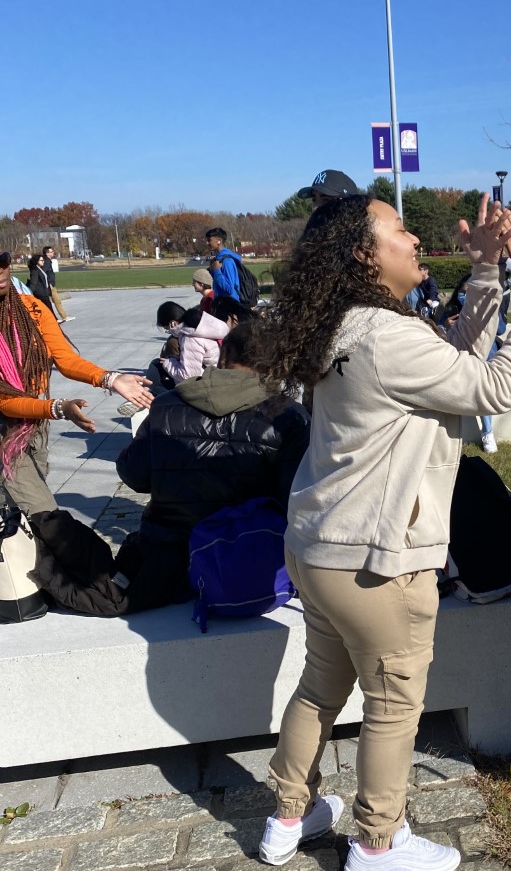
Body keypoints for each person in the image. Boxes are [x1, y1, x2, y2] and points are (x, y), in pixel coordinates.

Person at [251, 192, 511, 871]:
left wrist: (484, 272)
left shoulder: (346, 324)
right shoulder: (387, 336)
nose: (414, 237)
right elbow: (491, 388)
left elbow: (451, 367)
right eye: (398, 229)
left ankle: (286, 819)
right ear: (365, 253)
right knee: (393, 706)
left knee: (318, 689)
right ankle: (377, 846)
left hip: (319, 549)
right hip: (374, 563)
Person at [114, 322, 310, 611]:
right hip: (249, 563)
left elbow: (134, 475)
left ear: (223, 356)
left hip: (169, 564)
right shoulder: (289, 416)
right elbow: (295, 501)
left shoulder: (167, 404)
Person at [0, 252, 153, 516]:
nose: (1, 271)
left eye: (2, 262)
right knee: (44, 515)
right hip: (7, 430)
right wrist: (59, 408)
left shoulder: (32, 308)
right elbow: (5, 401)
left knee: (22, 515)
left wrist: (111, 378)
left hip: (33, 426)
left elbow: (66, 360)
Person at [439, 275, 498, 453]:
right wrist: (446, 326)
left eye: (469, 293)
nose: (464, 296)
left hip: (482, 359)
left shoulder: (483, 310)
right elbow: (437, 334)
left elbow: (500, 328)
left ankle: (488, 432)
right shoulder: (450, 309)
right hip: (457, 358)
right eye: (462, 292)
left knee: (480, 388)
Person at [205, 228, 244, 302]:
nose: (207, 243)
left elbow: (229, 289)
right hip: (222, 304)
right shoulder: (218, 259)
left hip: (230, 306)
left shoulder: (227, 261)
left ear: (219, 241)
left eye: (209, 240)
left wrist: (216, 271)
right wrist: (212, 270)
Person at [40, 246, 73, 322]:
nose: (53, 253)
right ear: (47, 253)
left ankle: (63, 315)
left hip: (50, 284)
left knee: (55, 301)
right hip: (49, 284)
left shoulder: (46, 260)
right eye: (51, 252)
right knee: (57, 300)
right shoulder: (47, 261)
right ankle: (64, 316)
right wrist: (48, 283)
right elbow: (43, 272)